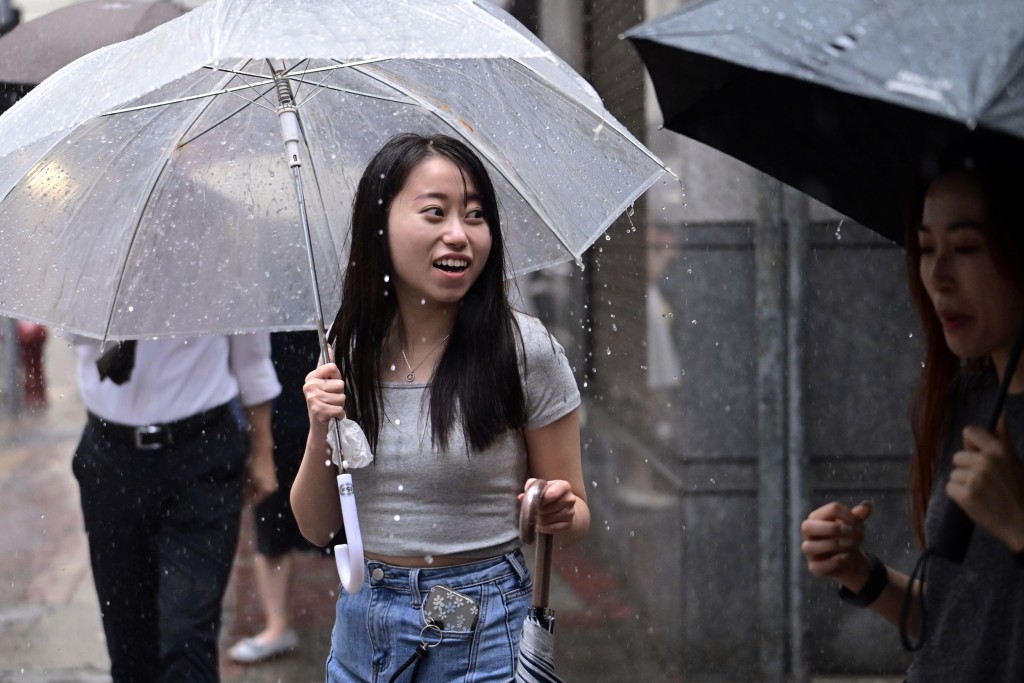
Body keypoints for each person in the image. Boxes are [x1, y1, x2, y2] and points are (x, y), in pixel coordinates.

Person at [291, 133, 590, 682]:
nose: (459, 234)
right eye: (435, 212)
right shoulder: (346, 348)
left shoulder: (524, 350)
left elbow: (574, 521)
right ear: (378, 227)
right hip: (364, 627)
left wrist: (556, 509)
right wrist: (318, 431)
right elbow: (316, 527)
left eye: (475, 215)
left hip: (485, 626)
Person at [800, 157, 1024, 681]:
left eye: (966, 248)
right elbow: (957, 627)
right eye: (926, 249)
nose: (938, 278)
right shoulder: (965, 403)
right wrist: (860, 572)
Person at [72, 334, 281, 683]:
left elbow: (251, 355)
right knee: (128, 640)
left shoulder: (222, 276)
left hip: (203, 456)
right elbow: (72, 331)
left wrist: (262, 447)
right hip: (111, 456)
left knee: (187, 635)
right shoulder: (90, 277)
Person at [228, 329, 322, 664]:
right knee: (270, 527)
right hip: (273, 417)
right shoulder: (254, 290)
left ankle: (356, 613)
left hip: (328, 407)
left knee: (348, 527)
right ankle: (277, 623)